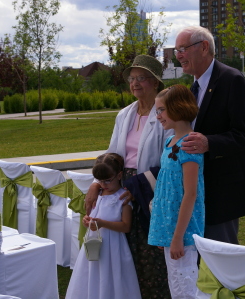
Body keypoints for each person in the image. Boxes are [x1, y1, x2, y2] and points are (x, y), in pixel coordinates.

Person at [85, 55, 172, 298]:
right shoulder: (124, 114)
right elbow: (112, 154)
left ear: (155, 82)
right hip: (122, 187)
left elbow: (170, 159)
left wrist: (140, 185)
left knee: (151, 253)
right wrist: (96, 183)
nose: (134, 83)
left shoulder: (167, 112)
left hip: (151, 190)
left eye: (141, 78)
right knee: (127, 251)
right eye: (132, 79)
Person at [175, 26, 245, 244]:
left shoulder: (231, 80)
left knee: (221, 258)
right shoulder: (192, 87)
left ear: (204, 47)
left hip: (221, 192)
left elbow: (243, 136)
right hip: (194, 189)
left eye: (183, 48)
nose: (178, 55)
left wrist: (208, 143)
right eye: (176, 50)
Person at [148, 85, 204, 298]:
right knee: (176, 284)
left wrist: (178, 237)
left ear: (178, 108)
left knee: (186, 287)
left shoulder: (189, 144)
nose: (158, 115)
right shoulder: (170, 143)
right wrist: (167, 234)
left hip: (184, 234)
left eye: (161, 110)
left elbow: (190, 194)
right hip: (170, 231)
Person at [66, 153, 141, 299]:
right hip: (94, 244)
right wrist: (87, 221)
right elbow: (93, 215)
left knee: (110, 276)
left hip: (113, 246)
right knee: (91, 274)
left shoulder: (123, 197)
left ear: (119, 175)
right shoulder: (98, 194)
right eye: (100, 181)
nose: (103, 185)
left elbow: (126, 226)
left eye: (107, 181)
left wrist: (102, 223)